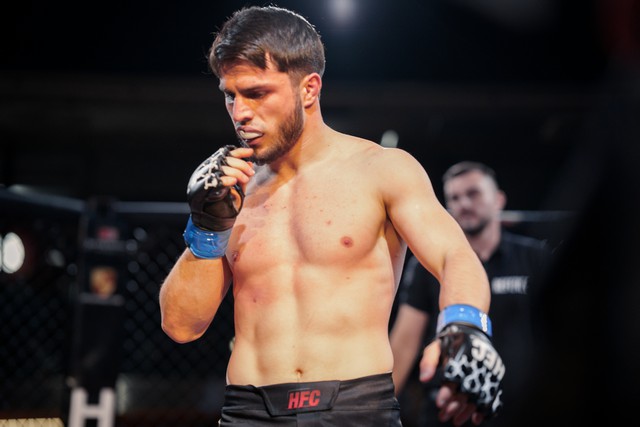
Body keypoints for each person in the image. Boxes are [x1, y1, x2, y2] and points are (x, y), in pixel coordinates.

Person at [159, 6, 504, 426]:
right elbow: (181, 326)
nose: (240, 112)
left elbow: (455, 256)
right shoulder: (233, 191)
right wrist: (206, 227)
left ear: (309, 89)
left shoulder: (381, 169)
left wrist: (464, 328)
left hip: (354, 408)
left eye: (256, 93)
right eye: (230, 95)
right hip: (247, 412)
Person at [390, 161, 553, 427]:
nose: (464, 203)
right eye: (454, 198)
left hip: (523, 407)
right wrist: (378, 411)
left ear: (498, 199)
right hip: (449, 408)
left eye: (473, 193)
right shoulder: (425, 265)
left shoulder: (534, 257)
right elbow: (405, 341)